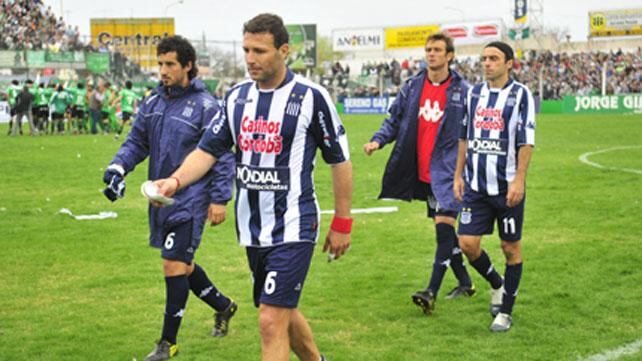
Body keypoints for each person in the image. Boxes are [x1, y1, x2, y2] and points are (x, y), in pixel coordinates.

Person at [153, 14, 352, 361]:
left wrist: (343, 222)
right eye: (246, 49)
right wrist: (175, 180)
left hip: (294, 223)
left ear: (284, 50)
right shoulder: (237, 98)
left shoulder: (310, 98)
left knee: (269, 320)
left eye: (259, 50)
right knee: (280, 312)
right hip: (252, 228)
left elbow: (340, 161)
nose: (249, 58)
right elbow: (207, 150)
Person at [102, 35, 238, 361]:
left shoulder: (208, 107)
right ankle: (223, 305)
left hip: (192, 198)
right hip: (162, 197)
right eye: (160, 63)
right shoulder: (153, 102)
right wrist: (118, 168)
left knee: (172, 263)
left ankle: (168, 344)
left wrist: (219, 199)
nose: (162, 70)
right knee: (182, 264)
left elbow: (222, 155)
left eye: (170, 64)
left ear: (187, 66)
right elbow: (137, 141)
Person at [363, 33, 475, 315]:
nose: (431, 54)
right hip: (425, 173)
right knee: (446, 234)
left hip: (451, 173)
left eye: (437, 50)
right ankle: (468, 281)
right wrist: (378, 140)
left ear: (449, 55)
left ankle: (431, 292)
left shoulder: (464, 90)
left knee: (443, 229)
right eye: (428, 50)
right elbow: (395, 120)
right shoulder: (413, 87)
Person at [453, 41, 535, 332]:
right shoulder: (473, 94)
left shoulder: (521, 95)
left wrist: (519, 180)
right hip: (475, 186)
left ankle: (506, 312)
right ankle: (496, 284)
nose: (487, 63)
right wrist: (458, 175)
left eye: (494, 58)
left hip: (506, 187)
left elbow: (526, 141)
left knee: (510, 247)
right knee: (467, 243)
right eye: (484, 58)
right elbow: (464, 137)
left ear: (509, 63)